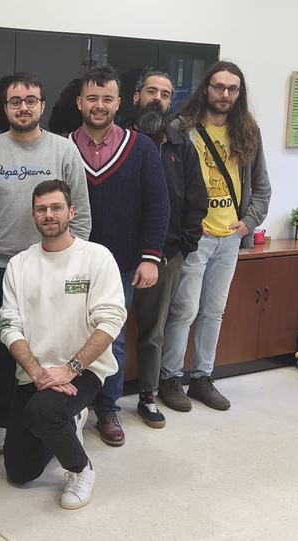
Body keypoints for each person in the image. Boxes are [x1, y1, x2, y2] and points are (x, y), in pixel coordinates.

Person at [0, 71, 91, 455]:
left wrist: (75, 266)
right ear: (4, 107)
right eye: (14, 101)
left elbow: (82, 215)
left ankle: (59, 410)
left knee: (52, 344)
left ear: (42, 105)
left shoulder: (64, 150)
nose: (23, 107)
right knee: (0, 349)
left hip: (54, 270)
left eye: (30, 100)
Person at [0, 179, 127, 510]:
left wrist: (70, 370)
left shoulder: (96, 258)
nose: (49, 214)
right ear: (33, 215)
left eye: (56, 207)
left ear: (71, 211)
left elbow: (110, 322)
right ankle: (66, 422)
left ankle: (81, 468)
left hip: (83, 369)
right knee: (19, 471)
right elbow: (8, 325)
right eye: (41, 209)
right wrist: (38, 372)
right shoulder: (19, 265)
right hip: (36, 372)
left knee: (42, 412)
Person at [160, 61, 271, 412]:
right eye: (219, 87)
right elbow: (169, 187)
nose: (225, 94)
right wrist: (188, 225)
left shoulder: (248, 131)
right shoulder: (183, 128)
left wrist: (247, 223)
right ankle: (170, 378)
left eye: (232, 89)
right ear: (206, 88)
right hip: (195, 238)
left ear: (239, 94)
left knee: (214, 311)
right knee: (184, 310)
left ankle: (202, 377)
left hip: (230, 238)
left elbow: (263, 189)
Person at [69, 65, 169, 446]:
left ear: (119, 102)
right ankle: (72, 405)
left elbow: (158, 207)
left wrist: (150, 258)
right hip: (73, 262)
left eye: (107, 98)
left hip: (123, 265)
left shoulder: (141, 147)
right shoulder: (63, 146)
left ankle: (108, 409)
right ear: (80, 102)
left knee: (113, 337)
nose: (99, 105)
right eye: (92, 98)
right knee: (71, 335)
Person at [126, 70, 208, 430]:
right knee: (102, 330)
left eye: (165, 94)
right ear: (135, 97)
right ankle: (101, 401)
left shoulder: (179, 144)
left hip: (164, 256)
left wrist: (181, 249)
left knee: (152, 332)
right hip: (114, 255)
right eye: (151, 91)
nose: (157, 99)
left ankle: (148, 395)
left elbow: (196, 200)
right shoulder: (119, 139)